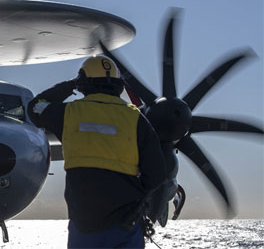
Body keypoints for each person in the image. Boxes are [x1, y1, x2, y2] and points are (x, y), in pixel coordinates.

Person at [27, 55, 167, 248]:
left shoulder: (67, 114)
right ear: (119, 85)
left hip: (84, 225)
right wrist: (136, 198)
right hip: (125, 224)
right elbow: (158, 172)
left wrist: (70, 85)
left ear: (84, 83)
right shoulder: (136, 120)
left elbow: (35, 106)